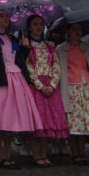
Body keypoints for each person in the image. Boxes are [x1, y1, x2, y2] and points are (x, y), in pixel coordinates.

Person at [0, 9, 41, 168]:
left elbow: (18, 59)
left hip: (17, 78)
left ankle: (8, 154)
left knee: (11, 119)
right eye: (1, 16)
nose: (5, 19)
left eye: (6, 16)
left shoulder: (12, 38)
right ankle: (0, 154)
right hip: (1, 80)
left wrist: (25, 48)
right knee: (1, 118)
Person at [21, 14, 69, 166]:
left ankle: (44, 153)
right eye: (35, 24)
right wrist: (40, 86)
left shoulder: (49, 45)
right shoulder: (26, 46)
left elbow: (56, 65)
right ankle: (37, 154)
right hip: (35, 87)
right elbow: (28, 67)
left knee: (47, 122)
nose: (38, 27)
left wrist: (53, 85)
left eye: (41, 24)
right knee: (37, 122)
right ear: (29, 27)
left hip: (50, 85)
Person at [57, 22, 89, 165]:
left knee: (84, 122)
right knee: (72, 121)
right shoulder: (61, 49)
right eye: (74, 29)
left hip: (86, 87)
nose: (77, 32)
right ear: (68, 31)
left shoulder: (87, 48)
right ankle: (74, 152)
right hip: (70, 87)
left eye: (79, 30)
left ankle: (81, 152)